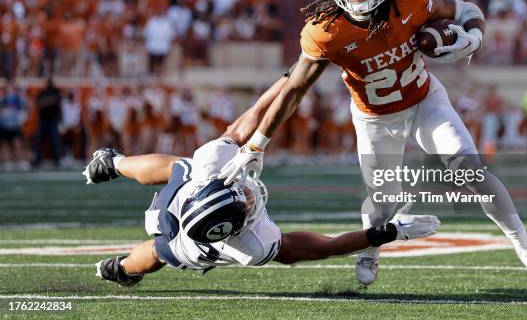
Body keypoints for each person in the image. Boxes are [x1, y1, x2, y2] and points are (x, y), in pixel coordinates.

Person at [219, 0, 527, 285]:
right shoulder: (326, 30)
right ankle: (371, 247)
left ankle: (526, 246)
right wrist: (257, 144)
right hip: (374, 118)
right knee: (382, 204)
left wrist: (473, 36)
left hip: (425, 99)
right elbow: (295, 88)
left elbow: (465, 10)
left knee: (469, 169)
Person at [83, 76, 439, 286]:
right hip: (190, 240)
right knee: (158, 251)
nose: (249, 196)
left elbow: (245, 122)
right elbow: (324, 247)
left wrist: (287, 80)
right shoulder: (252, 244)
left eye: (239, 195)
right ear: (238, 226)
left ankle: (114, 163)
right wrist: (389, 233)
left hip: (189, 207)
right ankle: (118, 268)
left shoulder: (210, 171)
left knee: (180, 166)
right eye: (245, 203)